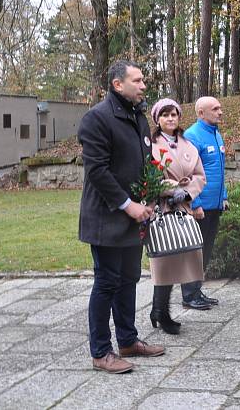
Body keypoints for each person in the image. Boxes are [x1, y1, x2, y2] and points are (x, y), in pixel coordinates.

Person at [78, 60, 164, 374]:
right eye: (138, 81)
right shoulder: (97, 119)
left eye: (144, 81)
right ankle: (101, 352)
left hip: (134, 216)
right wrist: (129, 205)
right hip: (106, 218)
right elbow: (97, 171)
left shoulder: (138, 118)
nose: (143, 86)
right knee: (107, 283)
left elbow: (145, 164)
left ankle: (128, 340)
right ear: (118, 85)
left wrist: (150, 198)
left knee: (128, 280)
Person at [148, 98, 209, 332]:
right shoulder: (150, 145)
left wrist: (186, 192)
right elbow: (148, 177)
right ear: (157, 119)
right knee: (164, 261)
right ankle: (161, 311)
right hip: (161, 209)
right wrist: (170, 190)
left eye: (173, 114)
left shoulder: (188, 144)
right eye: (165, 115)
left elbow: (199, 175)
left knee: (181, 259)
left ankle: (160, 310)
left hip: (183, 209)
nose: (170, 119)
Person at [181, 96, 228, 309]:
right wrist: (195, 203)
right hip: (200, 207)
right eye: (215, 109)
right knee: (194, 251)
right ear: (201, 113)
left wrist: (224, 196)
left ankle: (196, 290)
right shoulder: (192, 136)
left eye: (220, 108)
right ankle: (189, 295)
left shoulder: (216, 135)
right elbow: (187, 174)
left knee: (205, 250)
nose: (220, 112)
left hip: (215, 205)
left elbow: (219, 171)